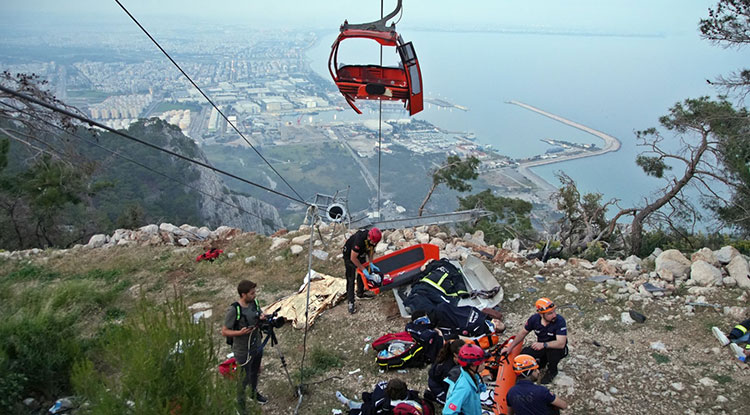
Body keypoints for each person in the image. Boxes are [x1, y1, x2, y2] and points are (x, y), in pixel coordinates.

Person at [221, 279, 268, 412]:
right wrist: (239, 332)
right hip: (242, 350)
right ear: (243, 294)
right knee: (243, 378)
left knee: (255, 372)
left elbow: (258, 313)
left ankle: (254, 393)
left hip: (257, 344)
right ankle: (241, 407)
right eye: (252, 293)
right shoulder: (234, 310)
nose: (254, 295)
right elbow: (224, 331)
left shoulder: (255, 303)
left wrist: (262, 317)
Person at [500, 298, 568, 384]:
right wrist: (510, 347)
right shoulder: (534, 319)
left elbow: (561, 343)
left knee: (553, 352)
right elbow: (522, 333)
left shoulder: (559, 321)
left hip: (555, 348)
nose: (554, 315)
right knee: (524, 354)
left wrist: (544, 345)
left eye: (554, 311)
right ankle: (538, 364)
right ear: (541, 314)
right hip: (542, 346)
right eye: (550, 313)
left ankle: (552, 371)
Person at [342, 227, 382, 314]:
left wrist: (371, 262)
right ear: (369, 237)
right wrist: (363, 269)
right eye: (373, 242)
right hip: (350, 255)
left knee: (361, 275)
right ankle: (351, 301)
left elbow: (371, 250)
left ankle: (360, 293)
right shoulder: (359, 240)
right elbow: (353, 258)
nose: (374, 243)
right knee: (351, 278)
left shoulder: (373, 240)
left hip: (361, 254)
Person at [336, 378, 427, 415]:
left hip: (380, 410)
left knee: (367, 407)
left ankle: (352, 404)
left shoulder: (386, 404)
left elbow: (375, 408)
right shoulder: (411, 395)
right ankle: (354, 405)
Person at [442, 344, 487, 415]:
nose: (484, 364)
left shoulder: (471, 375)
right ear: (472, 365)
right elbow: (448, 412)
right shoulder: (464, 387)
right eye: (481, 363)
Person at [425, 339, 463, 404]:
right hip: (438, 386)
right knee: (453, 404)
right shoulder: (447, 368)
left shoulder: (453, 360)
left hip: (442, 381)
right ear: (455, 355)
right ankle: (431, 395)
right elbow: (448, 387)